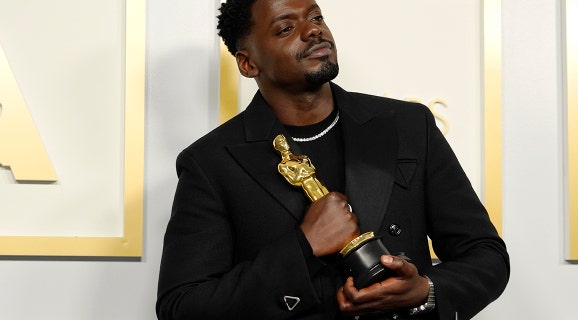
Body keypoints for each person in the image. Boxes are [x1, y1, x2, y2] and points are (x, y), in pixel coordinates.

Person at [156, 0, 510, 319]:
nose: (313, 30)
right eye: (286, 28)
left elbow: (486, 255)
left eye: (316, 17)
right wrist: (303, 246)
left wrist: (424, 291)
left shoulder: (408, 125)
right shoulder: (211, 162)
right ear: (248, 64)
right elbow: (182, 306)